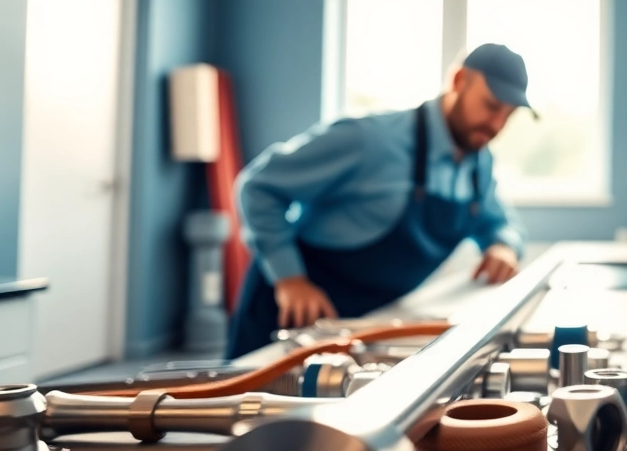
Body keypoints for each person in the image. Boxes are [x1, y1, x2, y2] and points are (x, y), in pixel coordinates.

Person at [224, 44, 531, 358]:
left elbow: (499, 222)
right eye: (491, 106)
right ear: (458, 81)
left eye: (509, 115)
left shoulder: (478, 164)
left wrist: (503, 245)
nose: (496, 126)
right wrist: (290, 279)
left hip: (368, 327)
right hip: (292, 317)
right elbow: (259, 186)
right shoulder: (370, 140)